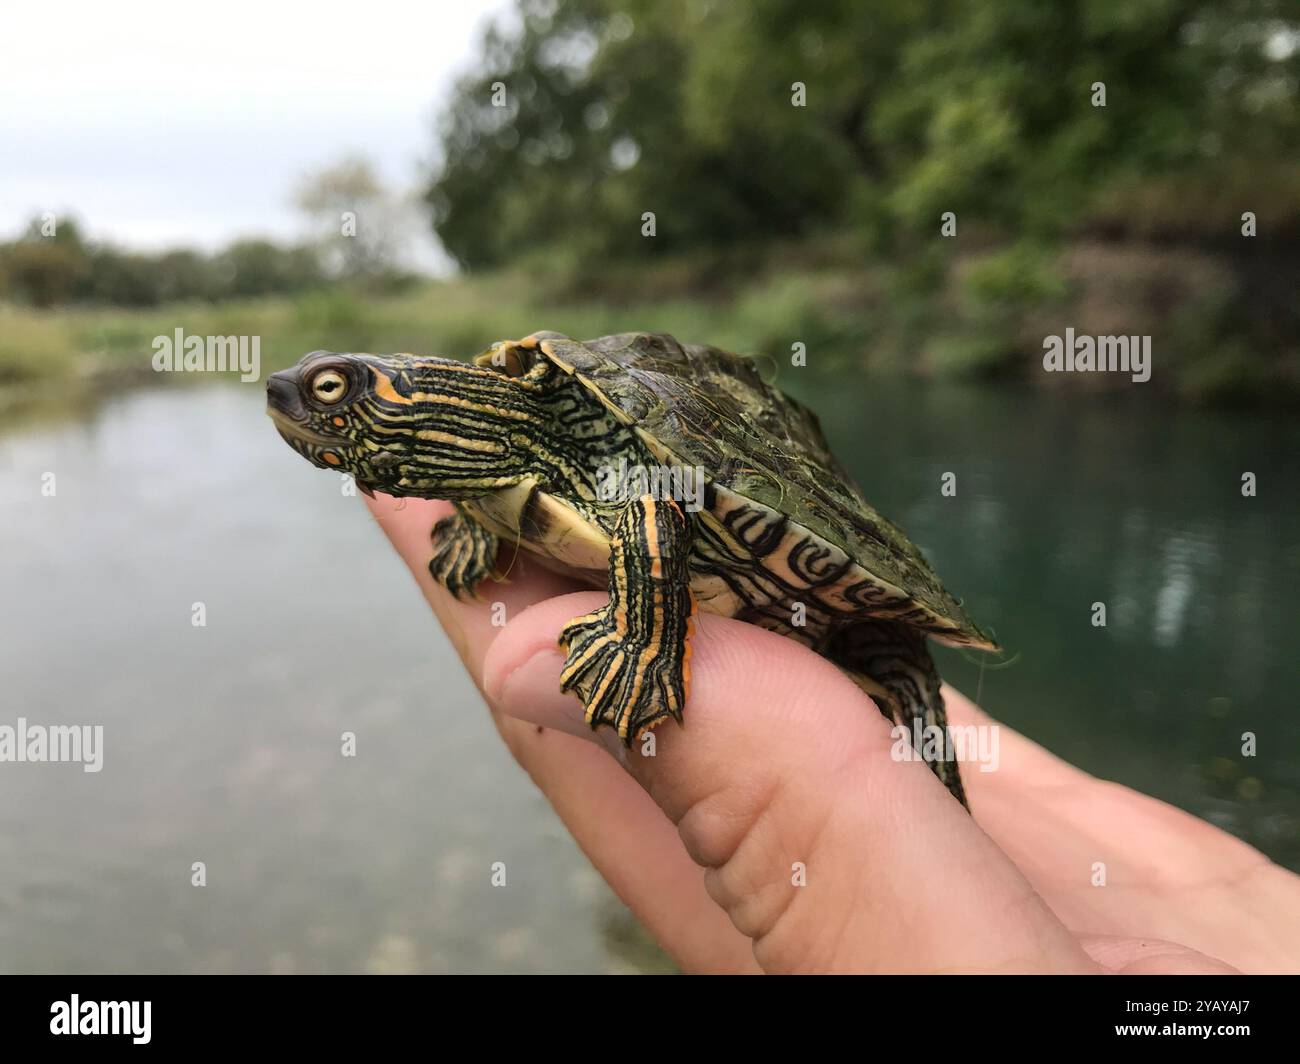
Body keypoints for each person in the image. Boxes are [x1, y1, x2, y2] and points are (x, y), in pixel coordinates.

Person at [366, 493, 1300, 974]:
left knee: (891, 662)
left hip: (790, 576)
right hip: (665, 541)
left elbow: (654, 505)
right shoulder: (498, 464)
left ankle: (942, 805)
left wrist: (1210, 1015)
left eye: (336, 395)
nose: (303, 406)